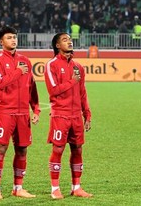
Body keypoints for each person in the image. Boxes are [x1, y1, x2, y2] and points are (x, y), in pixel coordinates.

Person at [0, 26, 40, 199]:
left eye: (14, 37)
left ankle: (18, 187)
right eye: (9, 37)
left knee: (22, 150)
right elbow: (1, 83)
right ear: (1, 42)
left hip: (23, 114)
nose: (13, 40)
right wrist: (18, 72)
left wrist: (36, 108)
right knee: (1, 148)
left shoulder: (25, 60)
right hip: (6, 112)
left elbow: (32, 86)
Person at [46, 33, 93, 199]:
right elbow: (53, 91)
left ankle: (77, 187)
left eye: (70, 39)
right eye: (65, 40)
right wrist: (72, 81)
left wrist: (87, 113)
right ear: (57, 45)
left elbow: (82, 93)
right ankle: (55, 188)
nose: (69, 41)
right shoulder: (51, 65)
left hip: (76, 116)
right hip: (60, 115)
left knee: (77, 149)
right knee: (58, 149)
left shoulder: (78, 67)